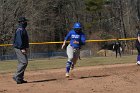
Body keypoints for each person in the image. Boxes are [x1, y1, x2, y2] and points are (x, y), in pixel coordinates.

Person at [13, 17, 29, 84]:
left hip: (21, 47)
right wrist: (22, 48)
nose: (26, 22)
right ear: (22, 22)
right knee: (24, 62)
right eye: (25, 21)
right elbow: (19, 40)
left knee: (22, 62)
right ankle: (16, 76)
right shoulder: (20, 29)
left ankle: (19, 79)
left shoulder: (22, 29)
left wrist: (25, 47)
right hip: (19, 48)